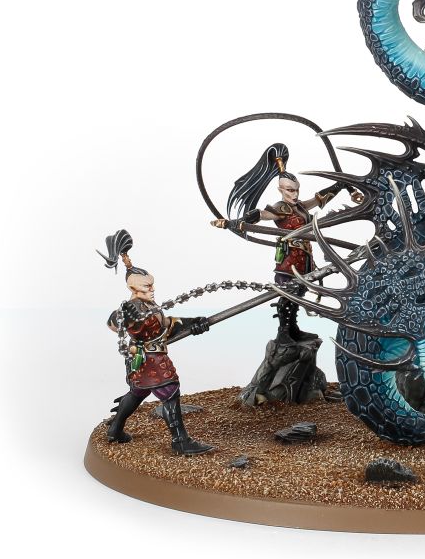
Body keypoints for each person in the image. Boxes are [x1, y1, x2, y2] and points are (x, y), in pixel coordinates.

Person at [211, 143, 360, 341]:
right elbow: (263, 214)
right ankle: (284, 333)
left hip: (304, 258)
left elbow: (318, 200)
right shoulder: (281, 208)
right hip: (289, 260)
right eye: (290, 190)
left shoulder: (299, 206)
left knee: (298, 293)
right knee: (288, 294)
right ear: (281, 190)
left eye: (296, 190)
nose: (295, 194)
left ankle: (292, 329)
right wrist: (234, 222)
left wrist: (339, 186)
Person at [99, 229, 215, 455]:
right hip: (151, 359)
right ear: (133, 289)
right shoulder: (131, 309)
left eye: (152, 284)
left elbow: (167, 324)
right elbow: (113, 323)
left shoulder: (149, 306)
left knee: (137, 392)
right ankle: (180, 441)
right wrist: (128, 323)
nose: (152, 289)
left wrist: (193, 323)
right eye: (146, 287)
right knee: (170, 392)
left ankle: (115, 429)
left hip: (145, 359)